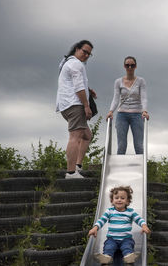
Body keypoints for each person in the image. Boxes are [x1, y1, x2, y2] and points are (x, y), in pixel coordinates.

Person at [56, 40, 97, 179]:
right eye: (84, 51)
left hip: (66, 105)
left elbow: (72, 83)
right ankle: (71, 172)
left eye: (89, 54)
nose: (86, 55)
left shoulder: (66, 62)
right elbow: (78, 86)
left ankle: (77, 166)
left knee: (87, 136)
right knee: (75, 137)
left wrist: (88, 90)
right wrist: (86, 106)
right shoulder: (76, 64)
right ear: (77, 49)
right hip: (75, 105)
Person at [88, 185, 151, 265]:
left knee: (127, 247)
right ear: (112, 200)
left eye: (122, 198)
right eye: (116, 198)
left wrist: (144, 226)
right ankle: (106, 258)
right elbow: (102, 220)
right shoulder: (109, 211)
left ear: (127, 201)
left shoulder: (130, 212)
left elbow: (139, 219)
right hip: (112, 239)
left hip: (126, 239)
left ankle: (129, 258)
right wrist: (95, 228)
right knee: (108, 247)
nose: (119, 200)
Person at [106, 56, 149, 155]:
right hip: (122, 114)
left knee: (138, 144)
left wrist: (144, 110)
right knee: (121, 144)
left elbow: (144, 97)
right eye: (127, 65)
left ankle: (142, 167)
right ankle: (119, 167)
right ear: (124, 66)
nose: (130, 67)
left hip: (137, 114)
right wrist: (111, 111)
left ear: (135, 66)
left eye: (132, 65)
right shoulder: (118, 82)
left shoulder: (141, 81)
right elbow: (116, 98)